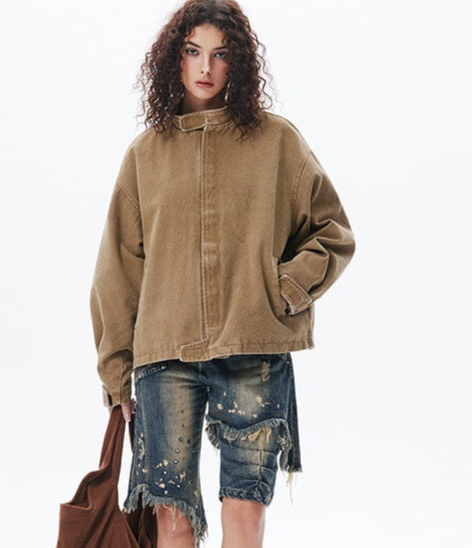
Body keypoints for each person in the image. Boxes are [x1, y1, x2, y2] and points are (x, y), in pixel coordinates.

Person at [89, 1, 356, 546]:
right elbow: (118, 269)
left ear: (240, 63)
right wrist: (116, 373)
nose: (206, 67)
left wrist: (284, 290)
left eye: (220, 53)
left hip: (253, 349)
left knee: (246, 512)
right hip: (166, 354)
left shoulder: (277, 141)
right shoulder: (146, 154)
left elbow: (332, 232)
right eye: (193, 52)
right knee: (172, 519)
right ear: (175, 58)